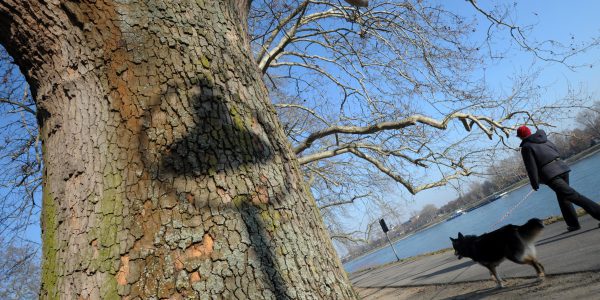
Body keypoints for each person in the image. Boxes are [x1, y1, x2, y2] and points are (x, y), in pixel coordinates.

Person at [517, 125, 600, 231]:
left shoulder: (526, 147)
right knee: (563, 198)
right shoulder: (543, 139)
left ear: (520, 136)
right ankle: (573, 224)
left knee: (574, 196)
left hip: (551, 175)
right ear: (529, 131)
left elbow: (531, 167)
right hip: (562, 168)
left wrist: (534, 183)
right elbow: (556, 151)